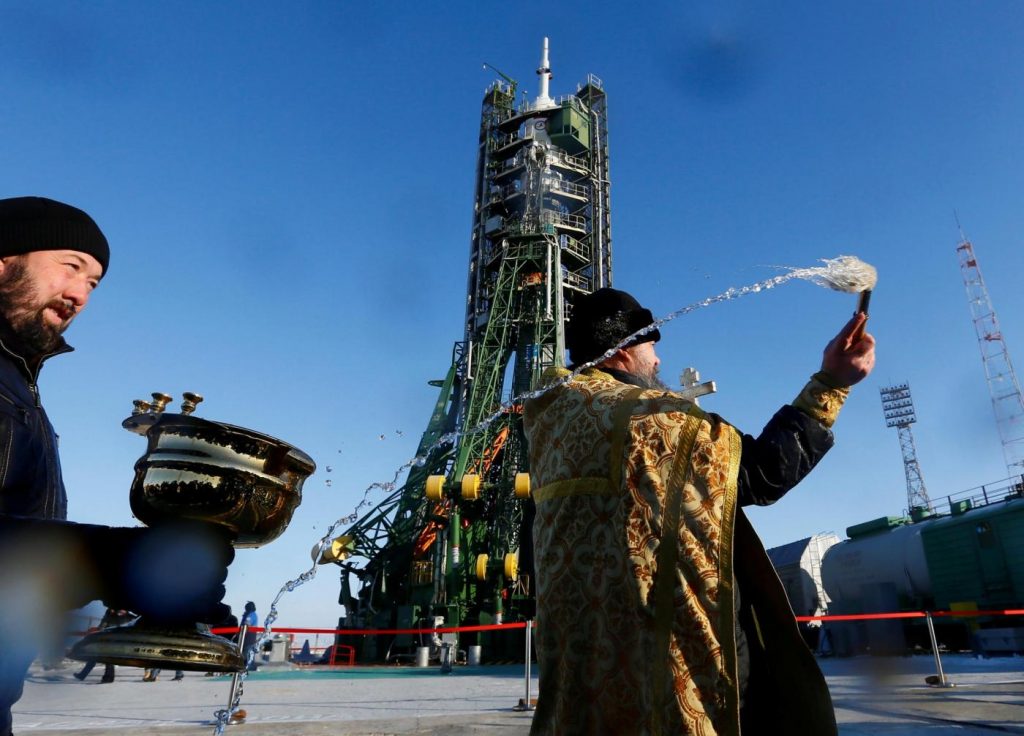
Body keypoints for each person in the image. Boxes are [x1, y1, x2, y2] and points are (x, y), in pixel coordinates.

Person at [523, 287, 875, 735]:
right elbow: (764, 474)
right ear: (625, 349)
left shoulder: (550, 423)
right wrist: (832, 382)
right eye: (651, 347)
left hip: (581, 676)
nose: (657, 362)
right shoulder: (649, 418)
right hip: (668, 674)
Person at [0, 196, 234, 736]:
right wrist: (105, 559)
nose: (80, 294)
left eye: (95, 283)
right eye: (71, 265)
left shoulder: (22, 391)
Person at [73, 609, 134, 683]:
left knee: (108, 658)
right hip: (103, 636)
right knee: (94, 656)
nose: (111, 610)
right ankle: (82, 675)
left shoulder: (123, 616)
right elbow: (103, 624)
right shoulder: (108, 613)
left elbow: (125, 622)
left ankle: (108, 678)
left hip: (111, 638)